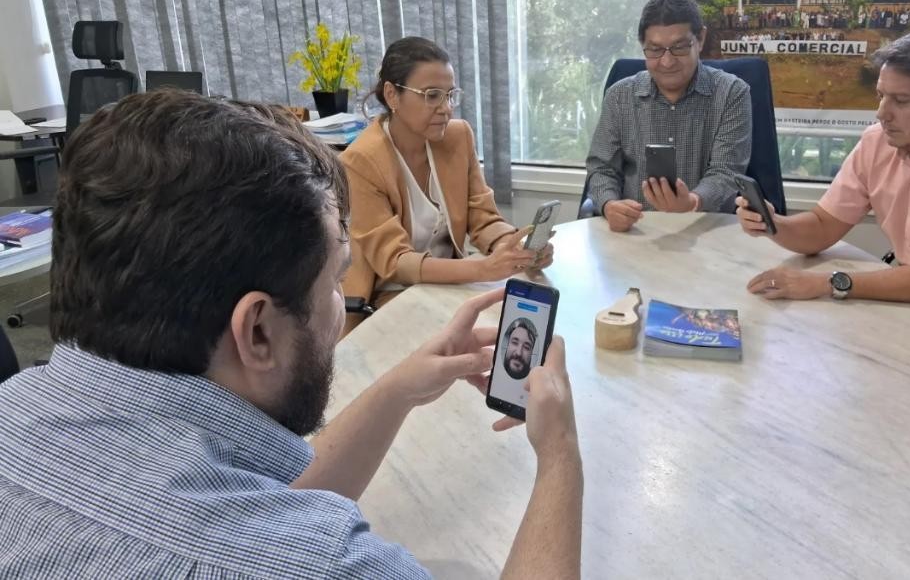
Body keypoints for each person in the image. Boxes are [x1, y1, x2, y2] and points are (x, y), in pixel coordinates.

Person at [0, 90, 583, 578]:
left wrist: (400, 388)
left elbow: (262, 499)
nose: (339, 305)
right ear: (257, 331)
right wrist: (559, 453)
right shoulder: (323, 564)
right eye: (335, 280)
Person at [736, 28, 910, 421]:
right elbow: (822, 225)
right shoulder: (878, 142)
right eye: (881, 96)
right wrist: (774, 224)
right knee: (812, 354)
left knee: (886, 399)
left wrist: (826, 283)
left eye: (901, 101)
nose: (882, 113)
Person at [341, 36, 553, 333]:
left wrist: (513, 246)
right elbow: (396, 262)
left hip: (451, 285)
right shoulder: (360, 161)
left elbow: (483, 218)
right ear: (392, 95)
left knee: (526, 324)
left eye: (450, 95)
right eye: (431, 95)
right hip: (391, 297)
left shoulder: (457, 136)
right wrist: (481, 268)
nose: (446, 108)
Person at [585, 0, 752, 233]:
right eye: (654, 50)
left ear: (701, 39)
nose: (667, 62)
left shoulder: (731, 93)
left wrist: (692, 203)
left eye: (679, 47)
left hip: (708, 232)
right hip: (637, 232)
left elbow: (726, 172)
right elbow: (602, 167)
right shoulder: (620, 96)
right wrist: (609, 204)